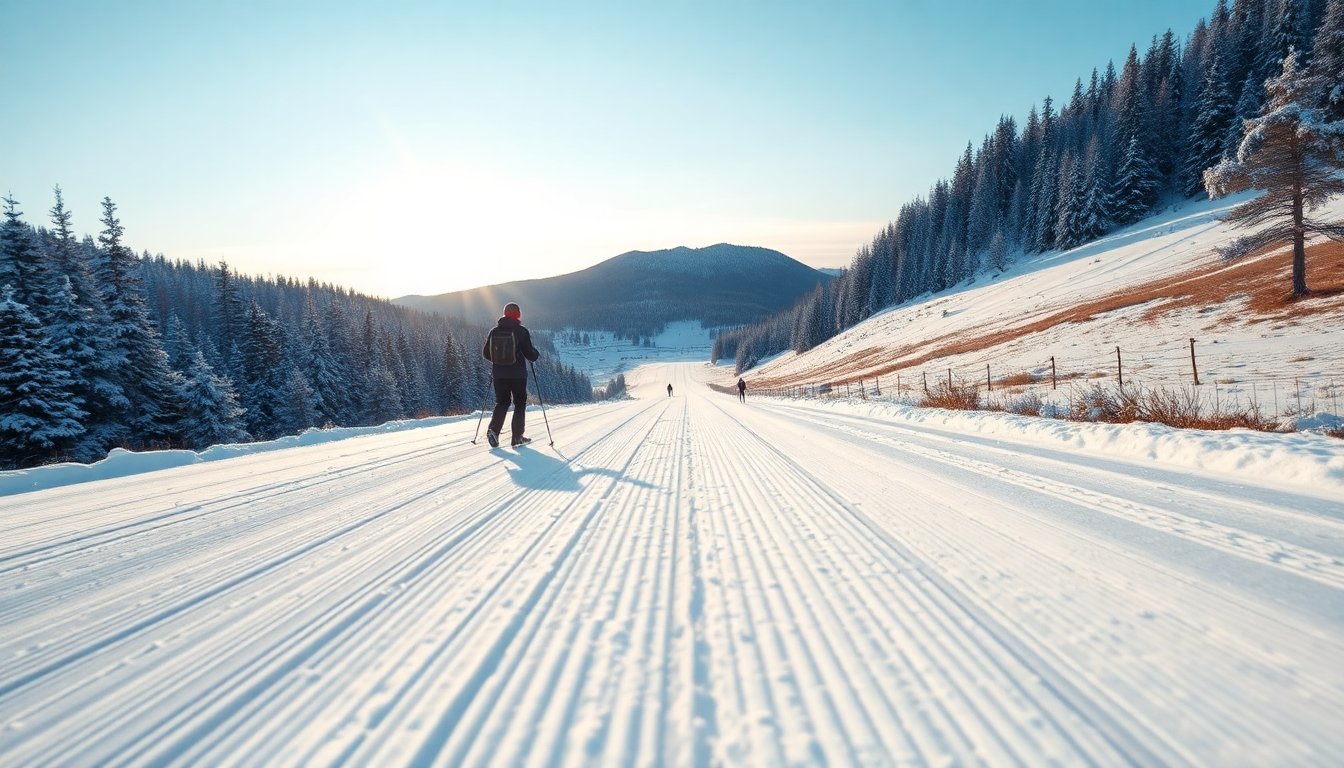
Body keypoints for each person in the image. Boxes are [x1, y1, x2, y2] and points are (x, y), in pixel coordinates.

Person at [482, 302, 540, 447]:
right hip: (518, 375)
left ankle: (493, 431)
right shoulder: (521, 331)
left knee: (502, 402)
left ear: (504, 313)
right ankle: (517, 437)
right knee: (519, 403)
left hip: (499, 375)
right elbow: (530, 354)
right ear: (518, 315)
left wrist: (499, 362)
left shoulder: (494, 331)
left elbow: (486, 353)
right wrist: (535, 354)